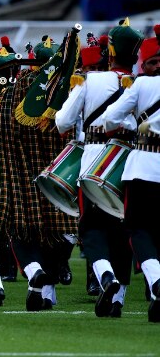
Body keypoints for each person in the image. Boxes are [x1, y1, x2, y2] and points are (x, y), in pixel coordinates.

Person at [56, 19, 142, 317]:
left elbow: (63, 122)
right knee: (122, 230)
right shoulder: (141, 82)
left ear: (111, 49)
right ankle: (118, 299)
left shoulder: (89, 81)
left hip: (93, 159)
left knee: (92, 228)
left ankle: (105, 277)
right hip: (131, 159)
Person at [103, 24, 160, 323]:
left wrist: (131, 123)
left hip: (144, 167)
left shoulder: (141, 85)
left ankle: (157, 283)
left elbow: (111, 117)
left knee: (138, 230)